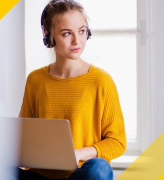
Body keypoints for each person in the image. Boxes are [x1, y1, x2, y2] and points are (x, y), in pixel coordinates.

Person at [18, 0, 126, 179]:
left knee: (99, 168)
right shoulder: (35, 80)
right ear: (48, 34)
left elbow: (117, 143)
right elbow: (23, 135)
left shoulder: (101, 81)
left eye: (82, 31)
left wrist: (77, 154)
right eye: (67, 33)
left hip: (80, 174)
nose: (77, 41)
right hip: (40, 175)